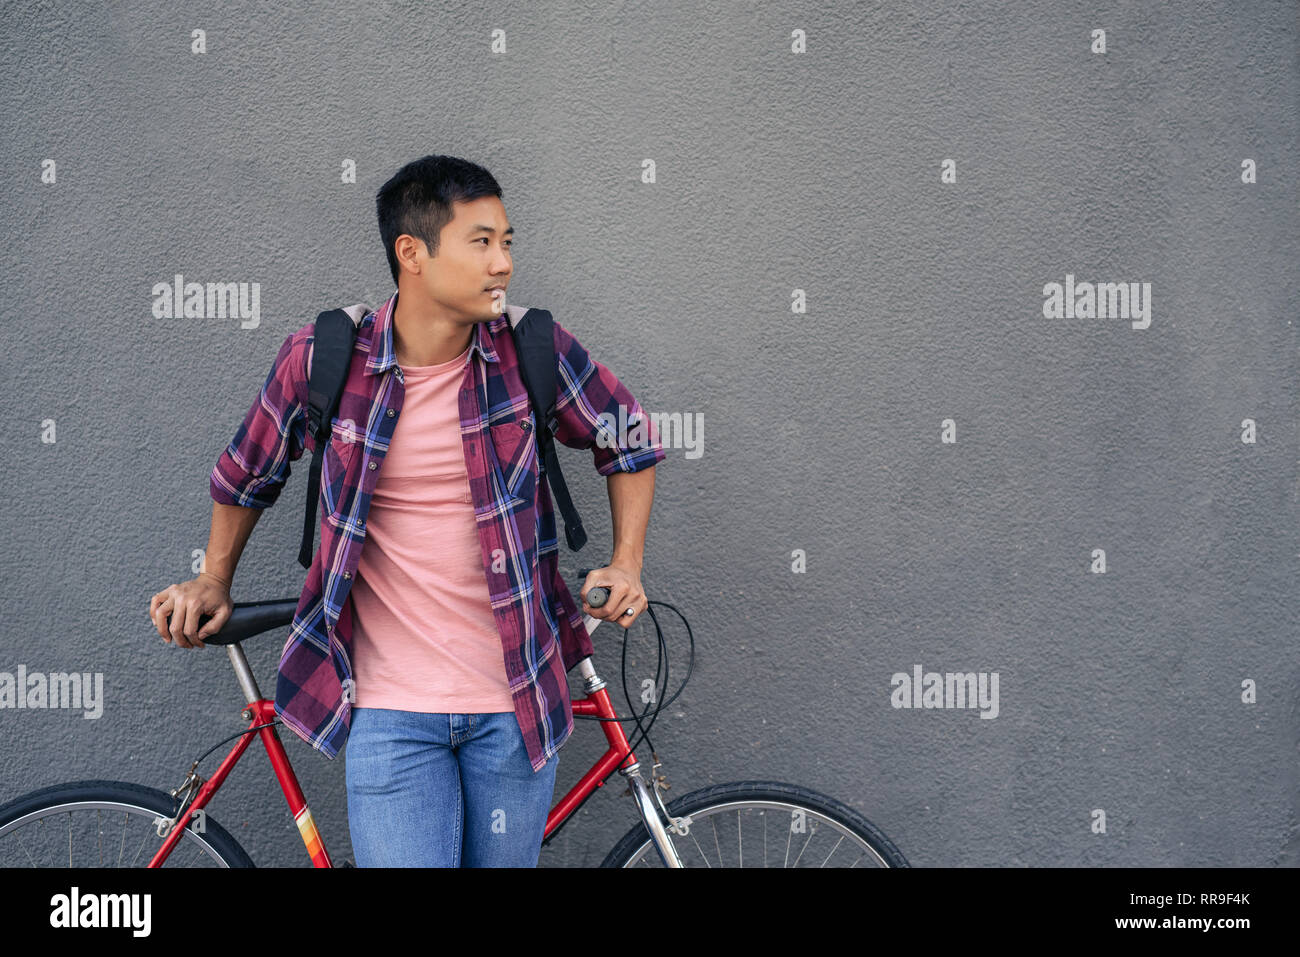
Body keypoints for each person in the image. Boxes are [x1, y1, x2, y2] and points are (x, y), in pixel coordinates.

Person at [148, 154, 665, 867]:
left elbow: (631, 437)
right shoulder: (323, 357)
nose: (503, 263)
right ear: (412, 253)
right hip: (388, 711)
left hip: (514, 707)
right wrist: (213, 578)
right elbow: (244, 472)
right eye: (481, 241)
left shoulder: (531, 349)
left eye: (507, 242)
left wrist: (628, 560)